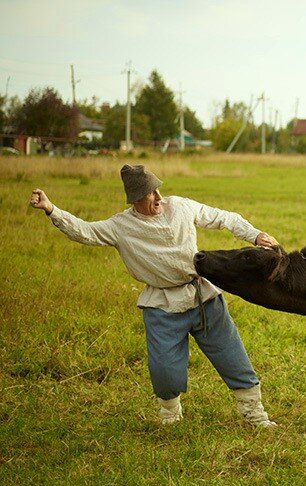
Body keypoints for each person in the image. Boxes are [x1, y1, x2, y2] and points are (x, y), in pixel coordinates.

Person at [29, 164, 278, 427]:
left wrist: (255, 235)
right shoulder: (120, 226)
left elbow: (223, 217)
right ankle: (170, 416)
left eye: (158, 190)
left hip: (203, 298)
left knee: (233, 357)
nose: (159, 198)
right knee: (165, 372)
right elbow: (85, 231)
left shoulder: (180, 206)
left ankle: (255, 414)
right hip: (162, 307)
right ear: (136, 199)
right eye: (150, 194)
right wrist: (51, 210)